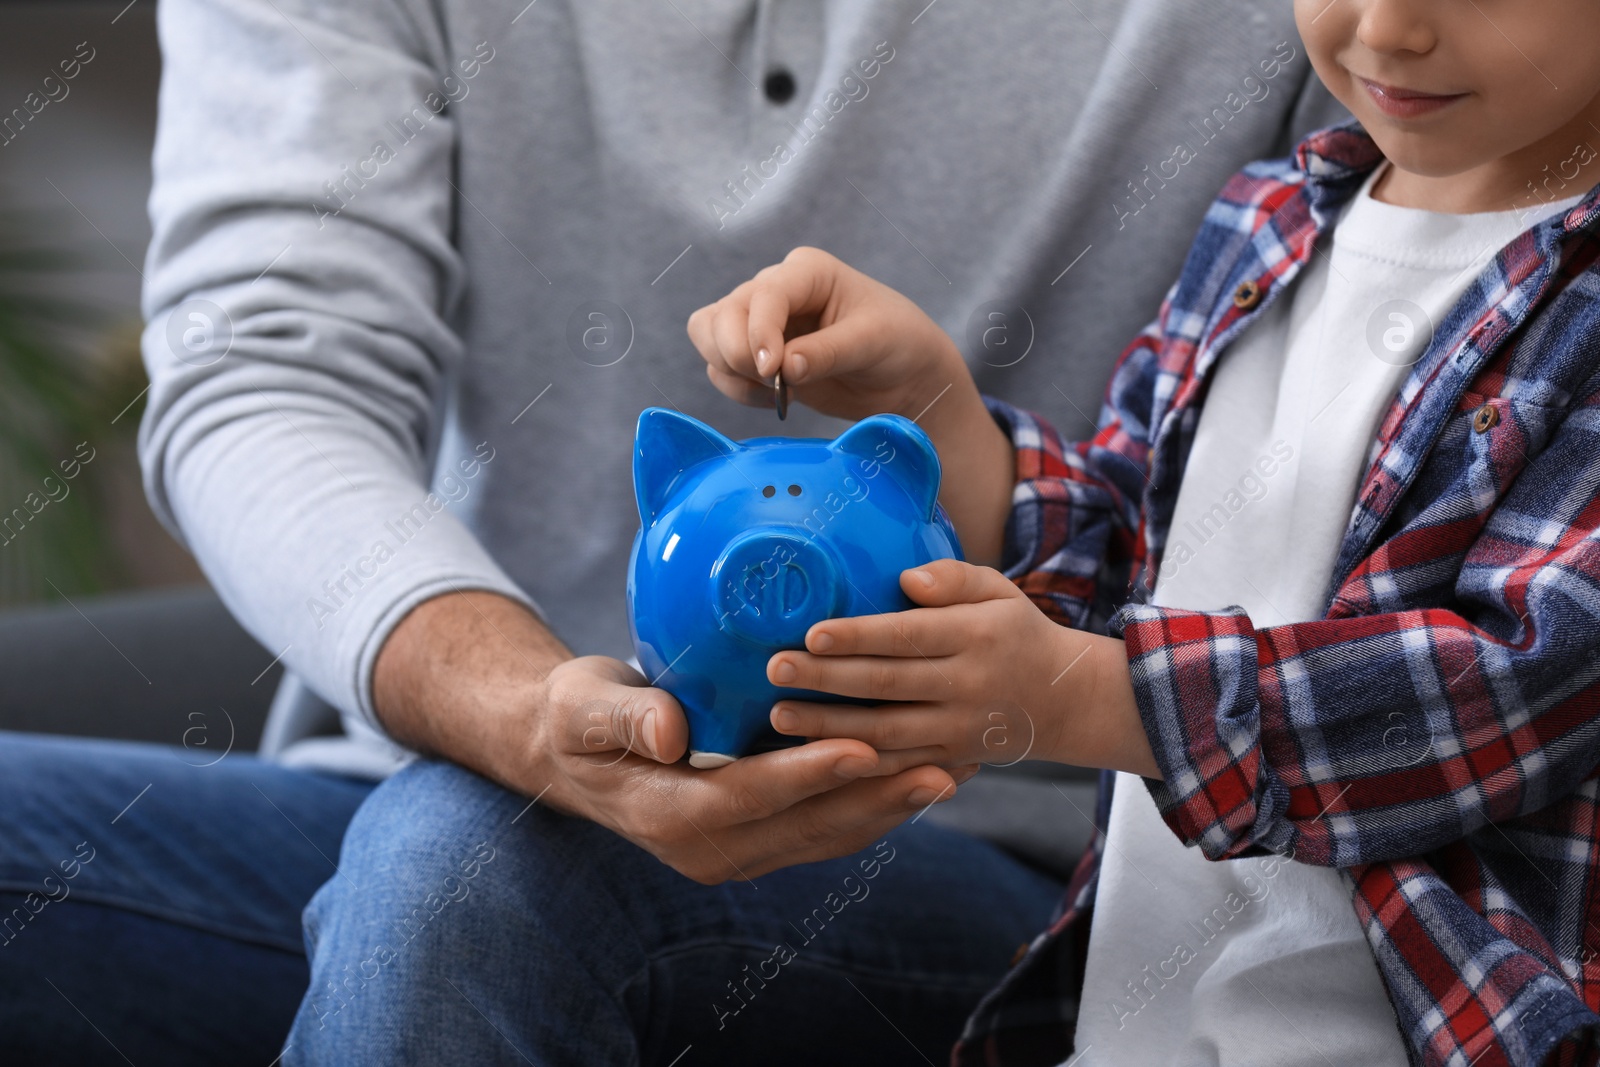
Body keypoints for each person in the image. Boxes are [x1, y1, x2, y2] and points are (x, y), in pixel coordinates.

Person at [0, 2, 1358, 1064]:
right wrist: (524, 711)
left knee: (469, 870)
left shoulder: (1351, 29)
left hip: (1027, 865)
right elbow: (263, 372)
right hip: (438, 773)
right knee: (463, 853)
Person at [687, 0, 1600, 1064]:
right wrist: (937, 406)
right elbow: (1137, 553)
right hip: (1138, 1016)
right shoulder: (1266, 221)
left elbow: (1511, 684)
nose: (1387, 29)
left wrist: (1081, 696)